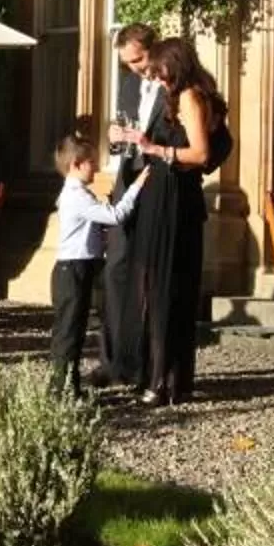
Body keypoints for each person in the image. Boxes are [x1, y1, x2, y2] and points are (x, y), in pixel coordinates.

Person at [112, 37, 226, 406]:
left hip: (174, 198)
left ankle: (162, 380)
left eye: (161, 72)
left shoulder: (191, 97)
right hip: (161, 193)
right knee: (153, 285)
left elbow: (200, 153)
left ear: (174, 66)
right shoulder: (178, 95)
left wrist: (155, 148)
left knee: (164, 290)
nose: (158, 79)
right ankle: (156, 373)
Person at [48, 135, 148, 394]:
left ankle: (67, 385)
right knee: (68, 333)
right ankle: (61, 389)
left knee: (73, 330)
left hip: (76, 269)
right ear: (76, 165)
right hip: (73, 270)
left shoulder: (76, 193)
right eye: (91, 162)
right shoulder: (77, 196)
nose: (96, 167)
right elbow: (116, 215)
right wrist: (136, 186)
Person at [96, 23, 159, 389]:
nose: (134, 67)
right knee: (115, 267)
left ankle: (143, 365)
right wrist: (113, 134)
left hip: (155, 183)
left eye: (138, 59)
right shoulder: (129, 83)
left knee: (146, 276)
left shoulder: (172, 84)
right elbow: (119, 126)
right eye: (128, 62)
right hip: (126, 179)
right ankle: (112, 360)